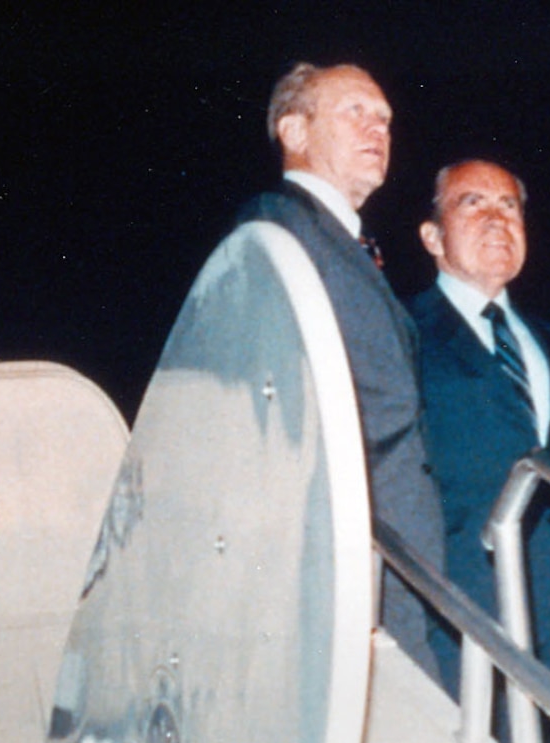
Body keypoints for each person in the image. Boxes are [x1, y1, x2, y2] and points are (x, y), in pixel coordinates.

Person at [237, 62, 444, 682]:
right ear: (294, 131)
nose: (378, 127)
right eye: (355, 111)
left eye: (384, 118)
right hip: (350, 555)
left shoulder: (345, 243)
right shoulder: (281, 227)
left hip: (393, 562)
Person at [408, 160, 550, 743]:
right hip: (468, 619)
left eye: (510, 205)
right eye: (473, 203)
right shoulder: (404, 331)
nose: (498, 218)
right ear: (432, 236)